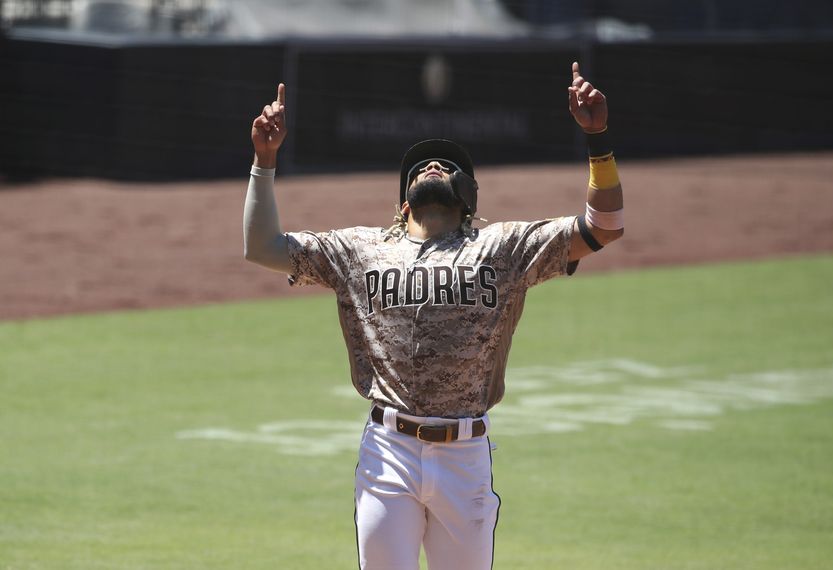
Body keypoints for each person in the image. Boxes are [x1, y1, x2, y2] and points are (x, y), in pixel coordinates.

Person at [243, 61, 623, 570]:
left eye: (447, 166)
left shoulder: (502, 247)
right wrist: (264, 161)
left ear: (469, 201)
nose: (432, 168)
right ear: (403, 205)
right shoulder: (361, 250)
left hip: (464, 457)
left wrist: (597, 139)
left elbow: (606, 225)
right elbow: (262, 246)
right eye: (421, 168)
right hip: (387, 453)